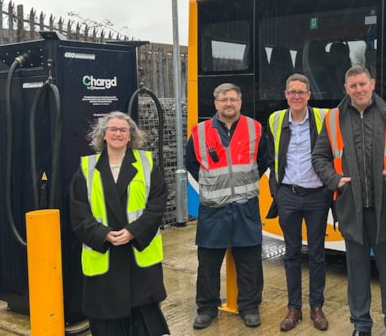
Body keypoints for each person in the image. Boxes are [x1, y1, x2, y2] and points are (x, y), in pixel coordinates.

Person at [312, 65, 386, 336]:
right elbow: (319, 157)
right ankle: (361, 325)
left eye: (362, 84)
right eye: (353, 86)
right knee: (356, 273)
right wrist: (334, 180)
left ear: (373, 84)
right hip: (350, 207)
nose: (358, 90)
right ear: (346, 88)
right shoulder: (333, 118)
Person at [69, 111, 170, 336]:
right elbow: (78, 212)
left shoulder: (147, 164)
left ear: (130, 136)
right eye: (112, 129)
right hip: (104, 254)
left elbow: (158, 202)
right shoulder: (87, 168)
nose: (117, 133)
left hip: (138, 254)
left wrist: (134, 231)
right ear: (103, 135)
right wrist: (102, 234)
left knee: (144, 322)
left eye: (123, 130)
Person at [185, 83, 268, 329]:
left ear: (240, 102)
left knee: (250, 261)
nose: (228, 103)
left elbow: (263, 161)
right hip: (213, 208)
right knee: (208, 263)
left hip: (245, 205)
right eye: (223, 99)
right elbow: (192, 163)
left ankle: (250, 306)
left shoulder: (255, 128)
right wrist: (215, 184)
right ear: (216, 103)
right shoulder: (199, 132)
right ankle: (207, 308)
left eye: (233, 99)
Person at [266, 73, 331, 332]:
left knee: (317, 254)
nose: (296, 96)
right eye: (292, 92)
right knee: (292, 255)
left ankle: (317, 307)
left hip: (317, 196)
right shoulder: (276, 119)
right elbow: (271, 156)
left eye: (301, 92)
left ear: (309, 95)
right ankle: (294, 308)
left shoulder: (323, 118)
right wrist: (277, 192)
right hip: (288, 196)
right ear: (286, 95)